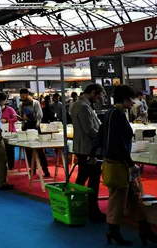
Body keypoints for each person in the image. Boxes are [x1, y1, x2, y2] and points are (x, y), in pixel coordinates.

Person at [92, 85, 157, 246]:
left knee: (135, 197)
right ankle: (114, 230)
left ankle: (144, 230)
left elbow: (101, 136)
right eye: (131, 99)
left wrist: (94, 153)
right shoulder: (116, 114)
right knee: (118, 200)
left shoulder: (113, 113)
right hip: (118, 163)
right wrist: (130, 163)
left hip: (119, 162)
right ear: (124, 99)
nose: (133, 102)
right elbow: (116, 142)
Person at [70, 84, 106, 222]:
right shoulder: (84, 106)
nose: (99, 99)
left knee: (82, 178)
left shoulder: (77, 104)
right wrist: (103, 139)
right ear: (92, 92)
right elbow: (89, 130)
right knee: (93, 181)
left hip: (82, 148)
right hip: (89, 149)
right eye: (98, 95)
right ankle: (93, 210)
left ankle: (78, 205)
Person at [19, 88, 50, 177]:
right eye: (21, 96)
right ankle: (32, 168)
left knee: (39, 150)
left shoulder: (35, 103)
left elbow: (40, 115)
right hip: (26, 128)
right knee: (28, 150)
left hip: (35, 128)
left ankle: (45, 169)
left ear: (27, 94)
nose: (22, 97)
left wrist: (29, 116)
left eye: (23, 96)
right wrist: (21, 117)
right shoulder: (21, 105)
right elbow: (21, 115)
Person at [1, 103, 18, 170]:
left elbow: (16, 118)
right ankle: (2, 165)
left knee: (10, 149)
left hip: (10, 132)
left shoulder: (10, 109)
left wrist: (6, 120)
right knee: (1, 149)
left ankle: (11, 165)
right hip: (1, 132)